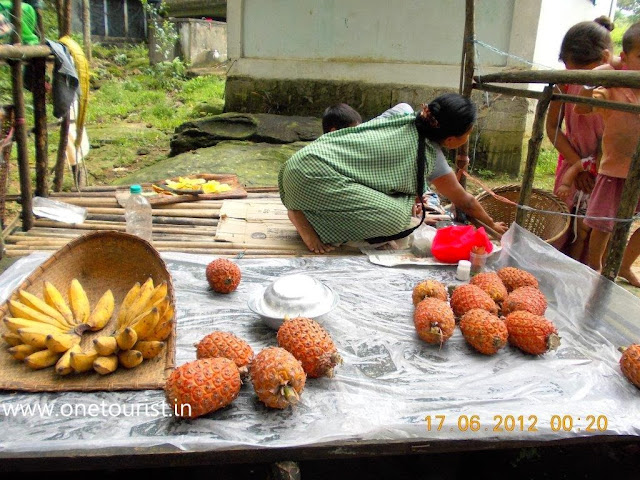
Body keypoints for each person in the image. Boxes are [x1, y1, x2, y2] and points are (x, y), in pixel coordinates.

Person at [279, 93, 507, 254]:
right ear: (450, 140)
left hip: (301, 161)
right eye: (468, 133)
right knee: (396, 219)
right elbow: (465, 201)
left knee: (405, 201)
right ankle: (302, 217)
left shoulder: (403, 112)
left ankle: (303, 207)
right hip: (313, 178)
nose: (468, 137)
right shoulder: (432, 159)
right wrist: (491, 225)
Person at [574, 22, 640, 286]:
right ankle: (595, 266)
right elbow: (582, 107)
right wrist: (606, 67)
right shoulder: (614, 86)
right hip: (615, 169)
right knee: (602, 223)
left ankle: (625, 264)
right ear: (623, 58)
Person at [545, 16, 616, 261]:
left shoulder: (617, 85)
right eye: (569, 70)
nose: (574, 77)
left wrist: (595, 165)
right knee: (563, 226)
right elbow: (553, 128)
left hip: (607, 168)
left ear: (604, 60)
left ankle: (585, 274)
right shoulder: (563, 83)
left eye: (581, 73)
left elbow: (618, 134)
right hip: (572, 163)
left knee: (593, 228)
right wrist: (579, 166)